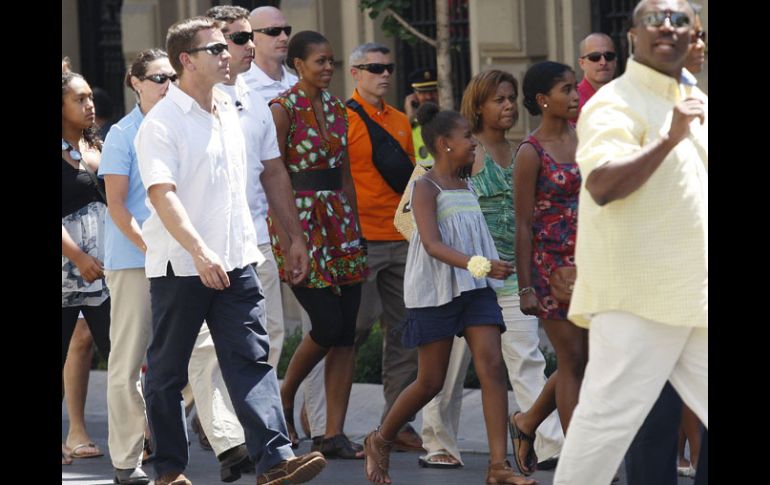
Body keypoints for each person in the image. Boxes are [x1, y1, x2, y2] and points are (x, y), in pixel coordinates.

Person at [134, 17, 326, 485]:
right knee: (167, 371)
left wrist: (293, 237)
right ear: (186, 60)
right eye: (215, 48)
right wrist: (200, 252)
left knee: (251, 360)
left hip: (238, 259)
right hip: (183, 265)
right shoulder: (161, 123)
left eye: (227, 46)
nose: (227, 54)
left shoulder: (237, 105)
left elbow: (272, 172)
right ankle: (169, 470)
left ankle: (274, 461)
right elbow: (163, 194)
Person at [553, 1, 707, 483]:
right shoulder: (613, 102)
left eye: (680, 20)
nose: (668, 27)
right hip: (638, 300)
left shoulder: (691, 97)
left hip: (693, 295)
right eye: (655, 20)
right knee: (601, 428)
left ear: (694, 34)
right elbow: (601, 184)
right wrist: (668, 138)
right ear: (632, 37)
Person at [99, 47, 256, 484]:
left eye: (171, 76)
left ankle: (229, 444)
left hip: (184, 262)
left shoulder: (189, 119)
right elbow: (118, 206)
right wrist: (147, 246)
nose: (167, 84)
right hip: (135, 261)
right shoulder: (123, 134)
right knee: (129, 362)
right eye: (157, 78)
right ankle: (127, 459)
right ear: (136, 83)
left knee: (203, 354)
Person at [362, 102, 535, 485]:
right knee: (430, 381)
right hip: (436, 292)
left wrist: (489, 267)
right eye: (467, 137)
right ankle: (381, 438)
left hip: (475, 291)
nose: (474, 142)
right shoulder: (426, 186)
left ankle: (497, 467)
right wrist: (481, 264)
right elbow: (434, 244)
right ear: (444, 144)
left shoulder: (467, 182)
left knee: (491, 367)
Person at [415, 69, 565, 469]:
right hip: (467, 274)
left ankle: (547, 443)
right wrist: (469, 264)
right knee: (448, 369)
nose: (508, 106)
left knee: (526, 356)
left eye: (512, 98)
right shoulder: (466, 151)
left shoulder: (521, 151)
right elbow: (442, 202)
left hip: (513, 273)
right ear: (478, 106)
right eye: (498, 99)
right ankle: (438, 442)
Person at [269, 30, 369, 460]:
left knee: (345, 333)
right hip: (299, 225)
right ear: (298, 64)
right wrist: (291, 236)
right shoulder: (282, 109)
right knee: (326, 325)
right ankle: (285, 396)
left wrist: (355, 226)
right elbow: (272, 177)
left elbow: (344, 173)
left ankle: (333, 433)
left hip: (339, 222)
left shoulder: (337, 108)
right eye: (320, 61)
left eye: (332, 61)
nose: (328, 68)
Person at [246, 5, 326, 442]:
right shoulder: (241, 88)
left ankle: (315, 421)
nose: (281, 37)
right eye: (271, 31)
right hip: (259, 226)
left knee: (319, 323)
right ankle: (269, 424)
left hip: (307, 223)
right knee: (271, 330)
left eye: (285, 30)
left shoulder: (300, 85)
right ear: (252, 37)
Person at [346, 42, 424, 454]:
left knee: (405, 333)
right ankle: (321, 413)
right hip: (362, 239)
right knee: (352, 329)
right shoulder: (344, 118)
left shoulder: (399, 120)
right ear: (355, 73)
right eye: (374, 67)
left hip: (402, 238)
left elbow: (418, 174)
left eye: (388, 67)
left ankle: (395, 424)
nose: (385, 74)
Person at [509, 61, 582, 476]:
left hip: (590, 261)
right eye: (566, 90)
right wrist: (525, 287)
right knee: (571, 357)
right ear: (542, 100)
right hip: (549, 266)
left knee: (587, 358)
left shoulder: (584, 139)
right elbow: (522, 223)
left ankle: (527, 421)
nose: (574, 97)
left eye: (574, 89)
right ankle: (581, 461)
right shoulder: (530, 152)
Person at [61, 70, 112, 465]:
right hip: (67, 270)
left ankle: (143, 432)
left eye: (90, 96)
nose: (89, 104)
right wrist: (78, 257)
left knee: (120, 350)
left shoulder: (96, 144)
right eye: (80, 98)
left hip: (106, 270)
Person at [576, 33, 618, 116]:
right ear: (582, 63)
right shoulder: (573, 101)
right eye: (595, 57)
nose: (603, 62)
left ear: (615, 61)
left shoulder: (628, 96)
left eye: (609, 56)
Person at [404, 68, 439, 167]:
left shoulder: (450, 121)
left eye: (433, 91)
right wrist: (410, 117)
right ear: (413, 96)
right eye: (423, 92)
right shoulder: (407, 123)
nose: (428, 97)